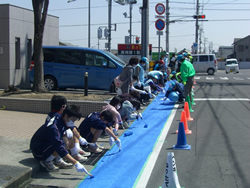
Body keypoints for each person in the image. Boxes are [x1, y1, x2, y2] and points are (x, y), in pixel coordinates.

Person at [30, 104, 93, 176]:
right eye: (73, 119)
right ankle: (47, 161)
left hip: (46, 145)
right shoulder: (55, 127)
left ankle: (58, 159)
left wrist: (80, 138)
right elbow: (59, 147)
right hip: (38, 151)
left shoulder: (61, 119)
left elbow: (72, 128)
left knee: (69, 135)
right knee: (61, 144)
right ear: (66, 115)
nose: (73, 122)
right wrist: (75, 163)